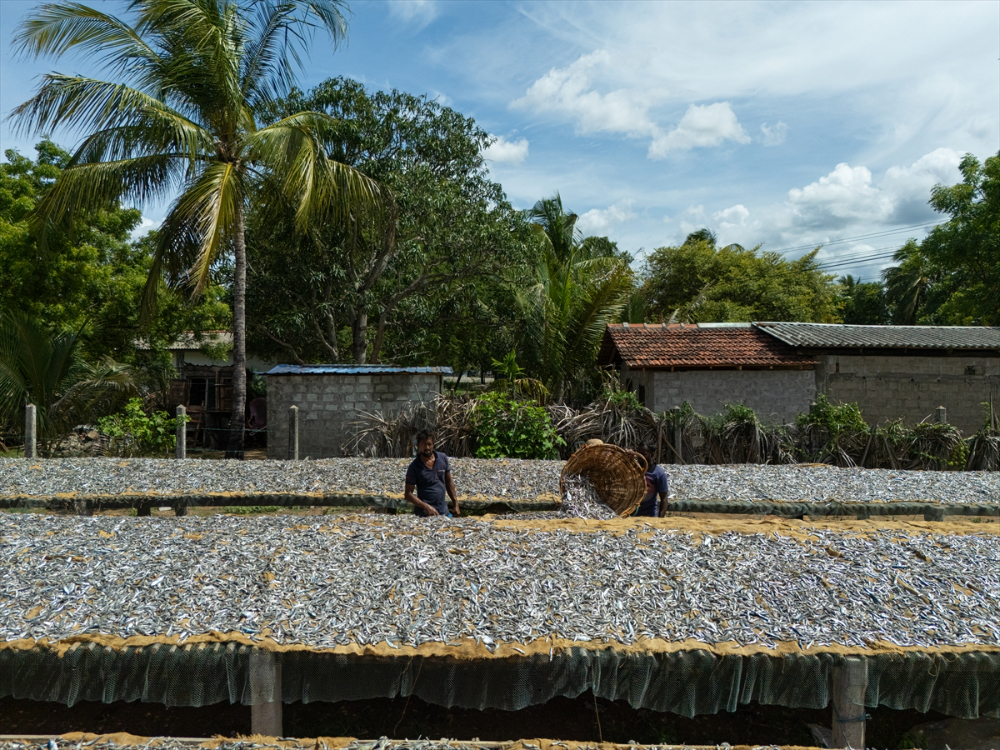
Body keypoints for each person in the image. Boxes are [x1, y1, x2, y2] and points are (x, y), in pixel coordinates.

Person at [404, 429, 461, 517]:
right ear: (418, 445)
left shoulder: (443, 458)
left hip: (443, 512)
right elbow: (408, 494)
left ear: (433, 444)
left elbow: (449, 482)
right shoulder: (414, 467)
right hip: (424, 515)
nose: (427, 447)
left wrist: (456, 504)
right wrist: (426, 507)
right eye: (424, 444)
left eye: (429, 444)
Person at [635, 443, 669, 517]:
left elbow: (664, 498)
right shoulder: (634, 470)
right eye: (639, 453)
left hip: (650, 515)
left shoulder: (659, 474)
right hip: (632, 514)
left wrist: (660, 518)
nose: (640, 457)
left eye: (644, 454)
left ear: (652, 454)